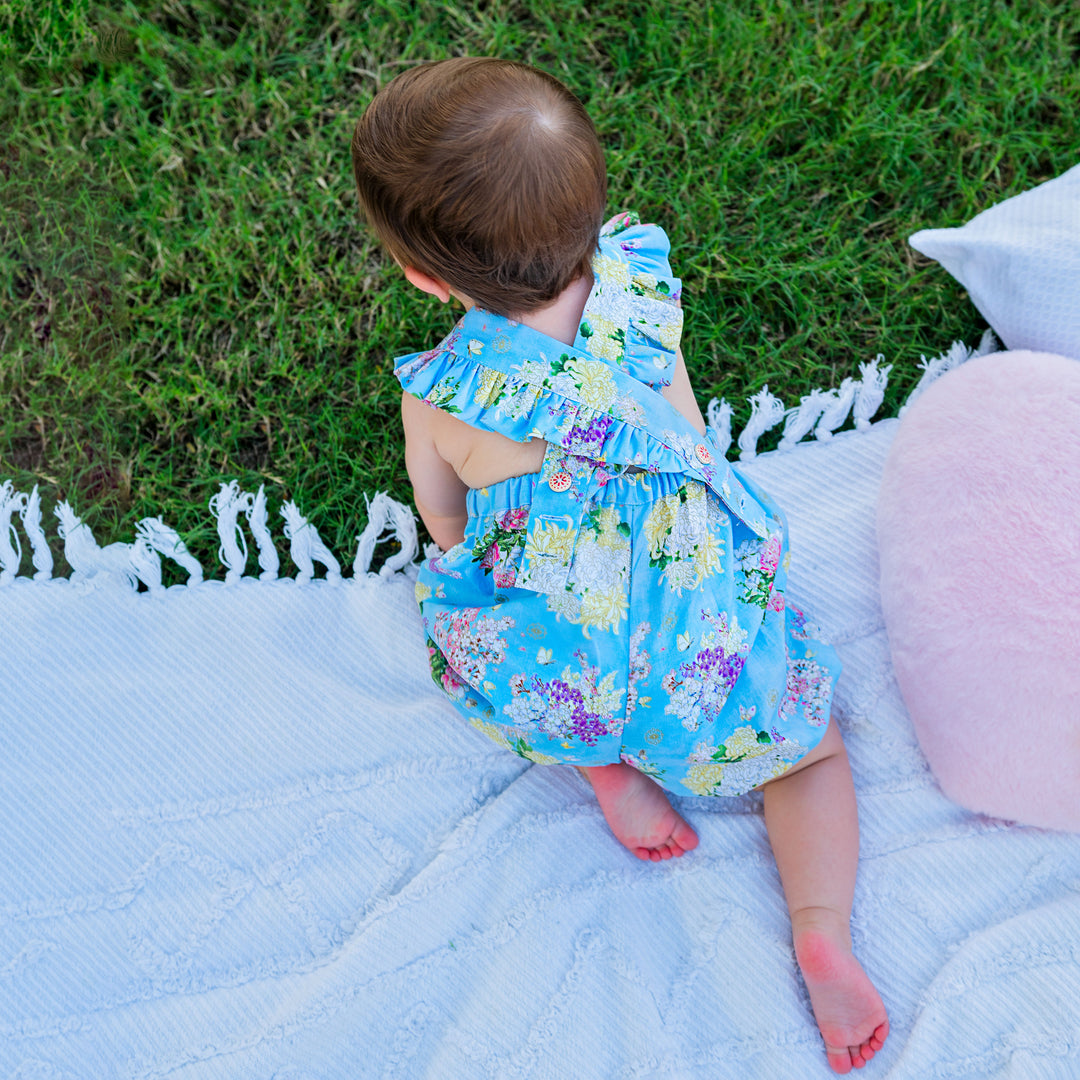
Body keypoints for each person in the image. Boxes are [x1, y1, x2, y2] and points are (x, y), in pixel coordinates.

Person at [351, 56, 888, 1073]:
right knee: (812, 755)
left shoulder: (445, 397)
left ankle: (603, 768)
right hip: (702, 662)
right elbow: (684, 427)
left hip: (572, 682)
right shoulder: (642, 300)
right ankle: (821, 927)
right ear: (590, 214)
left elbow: (444, 521)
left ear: (423, 276)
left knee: (490, 619)